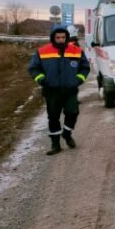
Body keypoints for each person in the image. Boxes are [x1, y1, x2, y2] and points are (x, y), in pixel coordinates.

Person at [28, 23, 90, 155]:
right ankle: (55, 145)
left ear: (67, 37)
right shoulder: (42, 51)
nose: (61, 40)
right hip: (51, 91)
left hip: (70, 90)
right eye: (58, 37)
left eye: (63, 37)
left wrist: (78, 79)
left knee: (73, 112)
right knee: (53, 117)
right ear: (53, 38)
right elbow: (33, 68)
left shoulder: (76, 51)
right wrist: (41, 79)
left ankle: (67, 134)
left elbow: (85, 67)